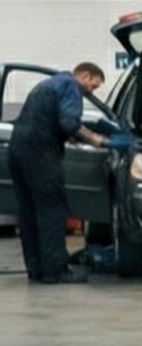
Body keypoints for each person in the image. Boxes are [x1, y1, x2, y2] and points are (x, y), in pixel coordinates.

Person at [7, 62, 108, 283]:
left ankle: (36, 269)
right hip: (40, 152)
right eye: (93, 85)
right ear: (83, 74)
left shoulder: (47, 84)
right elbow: (68, 123)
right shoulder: (71, 86)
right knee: (51, 210)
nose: (92, 91)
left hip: (17, 149)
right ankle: (55, 271)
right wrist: (96, 139)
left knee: (28, 212)